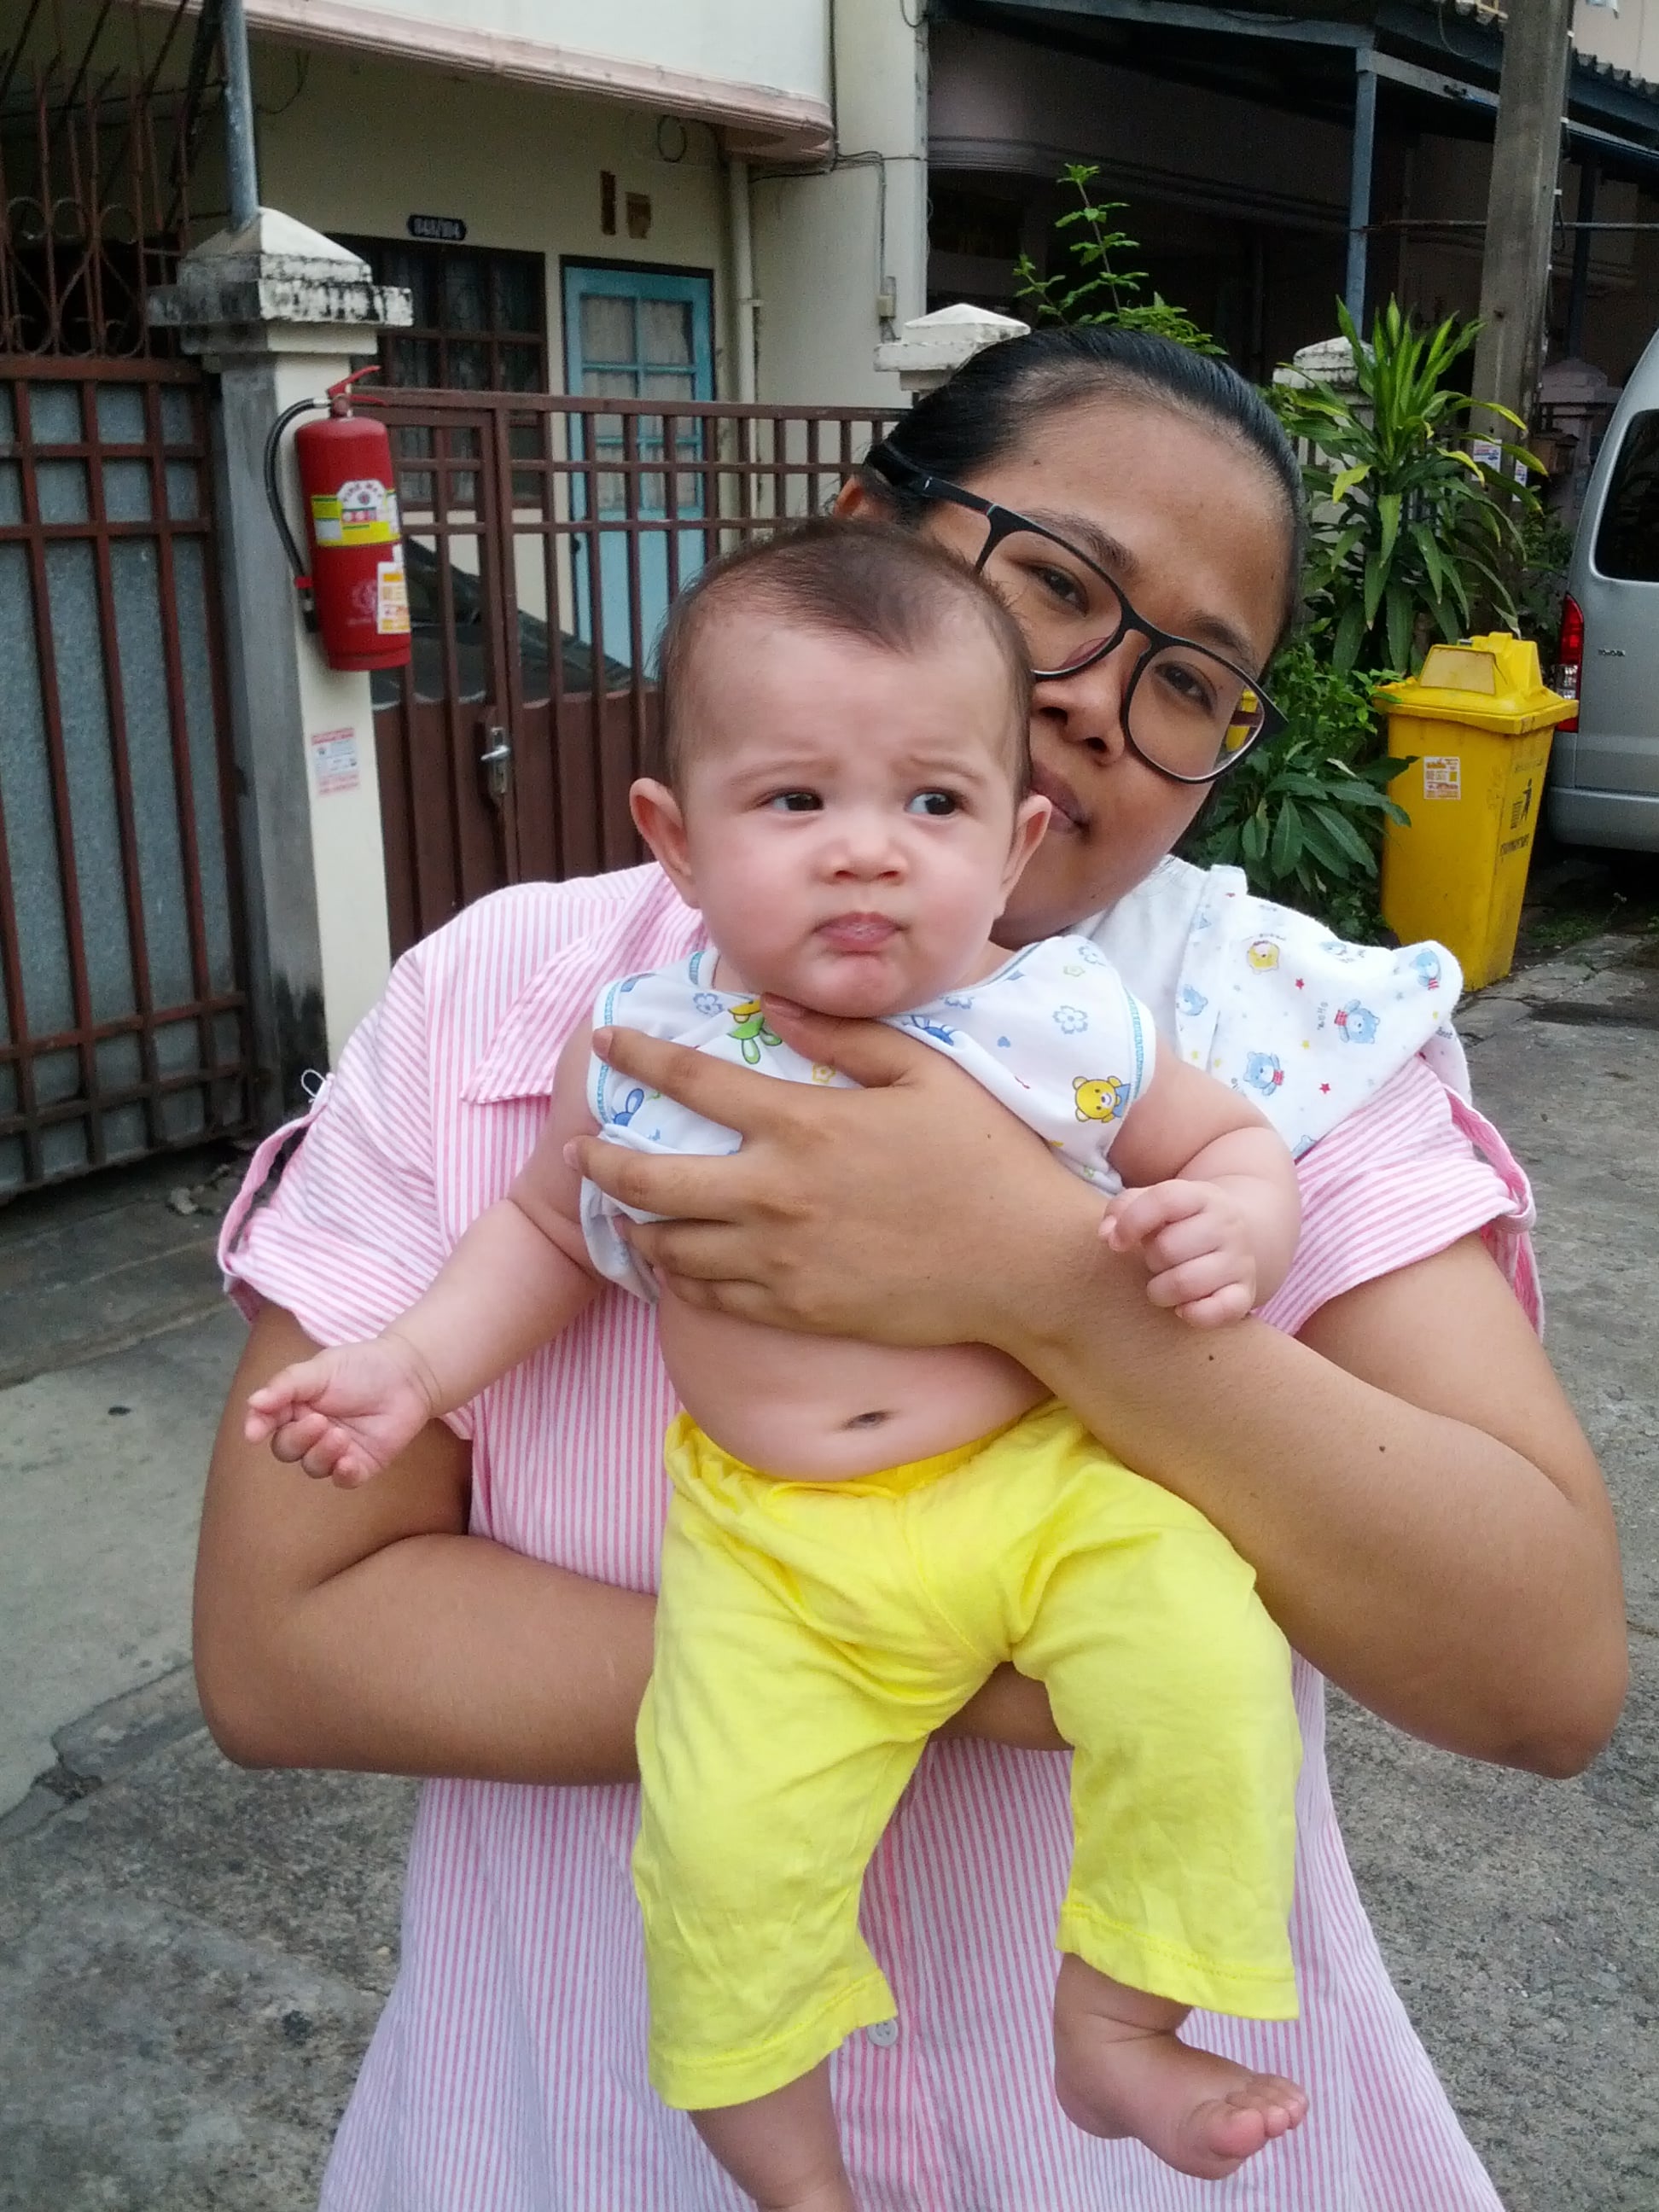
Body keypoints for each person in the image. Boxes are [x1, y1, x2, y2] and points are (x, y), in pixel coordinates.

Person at [197, 327, 1626, 2212]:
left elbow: (1540, 1673)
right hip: (570, 2133)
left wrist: (1046, 1280)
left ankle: (1130, 2022)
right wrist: (894, 1674)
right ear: (865, 533)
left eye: (1192, 682)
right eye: (1058, 584)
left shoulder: (1275, 1030)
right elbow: (286, 1644)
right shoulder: (529, 1007)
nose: (1100, 700)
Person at [242, 520, 1312, 2207]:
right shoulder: (647, 1050)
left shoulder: (1054, 1019)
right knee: (721, 1852)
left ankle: (1121, 2023)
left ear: (1016, 840)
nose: (868, 852)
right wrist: (409, 1371)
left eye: (934, 803)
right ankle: (797, 2177)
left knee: (1208, 1668)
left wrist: (1233, 1224)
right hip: (774, 1550)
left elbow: (1231, 1142)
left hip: (1040, 1492)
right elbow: (542, 1233)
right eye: (797, 800)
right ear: (677, 839)